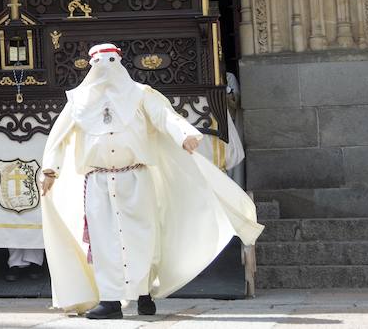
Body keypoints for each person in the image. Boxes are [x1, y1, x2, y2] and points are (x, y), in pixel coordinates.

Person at [40, 43, 262, 319]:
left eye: (110, 60)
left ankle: (143, 293)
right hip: (97, 181)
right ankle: (110, 300)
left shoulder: (141, 95)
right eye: (99, 62)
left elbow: (165, 117)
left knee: (142, 237)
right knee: (103, 241)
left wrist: (185, 134)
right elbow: (59, 138)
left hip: (135, 177)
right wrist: (50, 170)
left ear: (119, 61)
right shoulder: (78, 101)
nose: (105, 67)